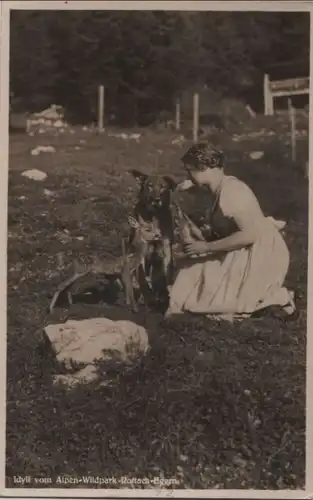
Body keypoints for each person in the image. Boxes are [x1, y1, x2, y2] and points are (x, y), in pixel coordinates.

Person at [166, 142, 298, 322]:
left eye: (189, 170)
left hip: (260, 252)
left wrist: (207, 247)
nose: (188, 176)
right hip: (248, 246)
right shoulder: (222, 186)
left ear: (203, 167)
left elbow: (250, 235)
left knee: (218, 302)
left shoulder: (230, 193)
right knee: (192, 276)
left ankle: (278, 299)